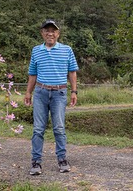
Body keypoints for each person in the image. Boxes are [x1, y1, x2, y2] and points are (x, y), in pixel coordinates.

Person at [24, 19, 79, 175]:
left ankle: (62, 159)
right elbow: (32, 74)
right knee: (38, 129)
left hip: (59, 93)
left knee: (59, 128)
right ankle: (36, 162)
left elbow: (72, 72)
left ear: (58, 33)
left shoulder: (67, 50)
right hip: (40, 93)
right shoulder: (36, 50)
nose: (50, 33)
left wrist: (74, 92)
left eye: (53, 31)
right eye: (47, 30)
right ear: (42, 33)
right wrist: (28, 92)